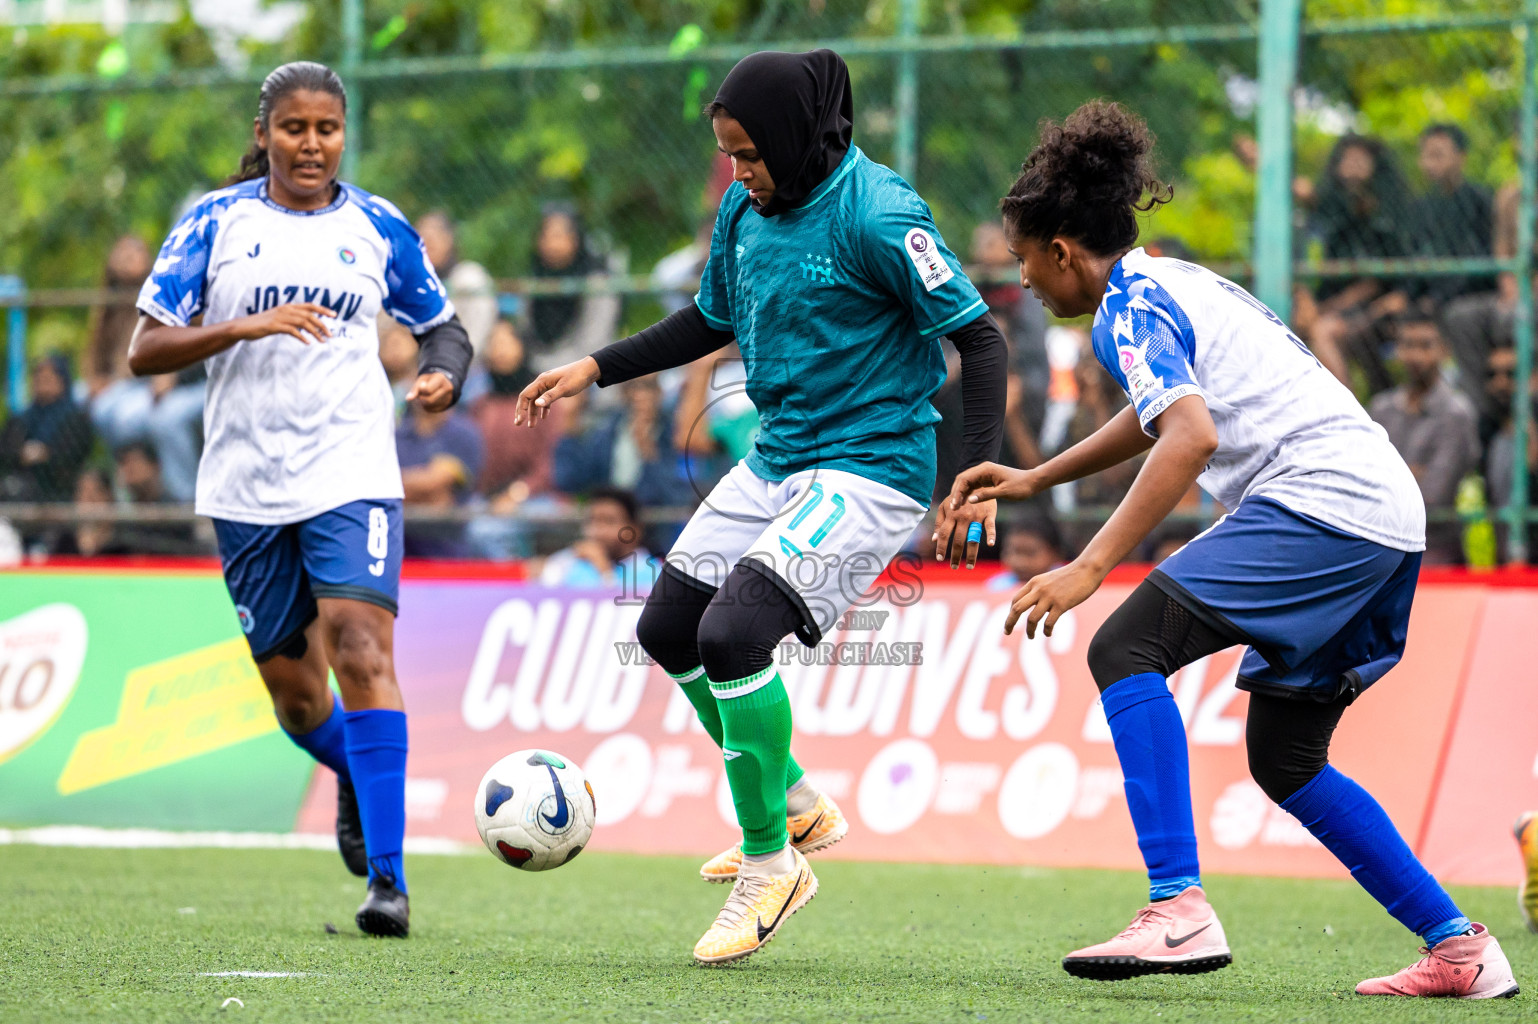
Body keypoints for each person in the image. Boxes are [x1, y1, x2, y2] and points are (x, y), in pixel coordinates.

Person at [950, 100, 1518, 998]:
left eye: (1023, 261)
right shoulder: (1171, 282)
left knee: (1123, 645)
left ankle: (1177, 906)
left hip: (1323, 508)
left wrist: (1090, 565)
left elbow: (1189, 437)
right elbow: (1160, 418)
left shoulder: (1127, 306)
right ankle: (1460, 948)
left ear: (1062, 251)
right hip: (1383, 518)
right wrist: (1034, 478)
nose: (1023, 280)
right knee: (1286, 758)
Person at [515, 49, 1006, 965]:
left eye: (749, 153)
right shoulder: (747, 206)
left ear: (794, 137)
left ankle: (770, 863)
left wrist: (972, 473)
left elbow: (981, 341)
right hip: (782, 459)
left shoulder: (880, 212)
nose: (737, 173)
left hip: (872, 468)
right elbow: (710, 319)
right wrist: (595, 365)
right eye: (728, 154)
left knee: (733, 636)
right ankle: (797, 802)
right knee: (667, 625)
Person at [129, 61, 472, 938]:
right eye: (293, 128)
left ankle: (388, 887)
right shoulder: (215, 222)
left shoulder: (378, 226)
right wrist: (239, 324)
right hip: (245, 482)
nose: (310, 143)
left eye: (326, 129)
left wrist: (440, 373)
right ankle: (356, 772)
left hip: (351, 471)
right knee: (296, 696)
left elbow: (444, 325)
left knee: (361, 650)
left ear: (343, 135)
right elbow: (145, 349)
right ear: (264, 134)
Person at [1306, 135, 1416, 394]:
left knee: (1324, 332)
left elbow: (1379, 281)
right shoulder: (1330, 212)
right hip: (1336, 304)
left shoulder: (1391, 212)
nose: (1353, 166)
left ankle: (1347, 414)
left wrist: (1330, 307)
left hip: (1378, 306)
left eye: (1360, 160)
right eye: (1347, 159)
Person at [1368, 315, 1480, 564]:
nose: (1416, 356)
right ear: (1397, 350)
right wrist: (1412, 473)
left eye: (1425, 346)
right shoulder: (1382, 408)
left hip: (1435, 549)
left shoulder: (1456, 412)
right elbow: (1363, 479)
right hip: (1380, 544)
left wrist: (1388, 478)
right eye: (1408, 345)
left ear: (1444, 350)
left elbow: (1434, 494)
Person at [522, 204, 620, 372]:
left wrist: (569, 374)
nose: (552, 244)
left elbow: (595, 341)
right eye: (546, 236)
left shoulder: (597, 281)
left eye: (559, 236)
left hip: (586, 368)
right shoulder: (533, 280)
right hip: (535, 368)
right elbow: (525, 332)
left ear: (576, 239)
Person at [1409, 124, 1494, 306]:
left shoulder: (1482, 202)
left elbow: (1483, 257)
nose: (1429, 163)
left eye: (1437, 155)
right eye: (1424, 155)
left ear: (1461, 157)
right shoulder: (1419, 208)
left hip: (1471, 295)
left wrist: (1438, 297)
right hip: (1427, 296)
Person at [396, 397, 485, 558]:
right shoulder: (396, 433)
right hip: (400, 540)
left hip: (446, 543)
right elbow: (386, 486)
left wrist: (405, 488)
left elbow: (435, 484)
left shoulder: (463, 433)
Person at [0, 353, 94, 504]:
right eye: (38, 379)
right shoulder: (22, 418)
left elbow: (74, 452)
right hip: (20, 491)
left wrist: (46, 454)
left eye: (48, 379)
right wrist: (22, 453)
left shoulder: (75, 418)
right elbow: (5, 450)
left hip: (62, 492)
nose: (42, 384)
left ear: (62, 381)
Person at [539, 486, 660, 589]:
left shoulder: (653, 573)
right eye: (592, 521)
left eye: (609, 521)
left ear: (635, 529)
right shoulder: (572, 564)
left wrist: (604, 571)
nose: (598, 531)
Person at [416, 211, 498, 359]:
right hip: (411, 370)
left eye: (433, 239)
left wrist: (451, 365)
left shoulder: (469, 278)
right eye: (422, 239)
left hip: (466, 366)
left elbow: (476, 335)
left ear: (449, 240)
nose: (427, 245)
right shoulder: (405, 281)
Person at [986, 509, 1065, 592]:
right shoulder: (996, 587)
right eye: (1015, 552)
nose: (1021, 562)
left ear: (1055, 554)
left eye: (1030, 553)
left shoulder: (1067, 584)